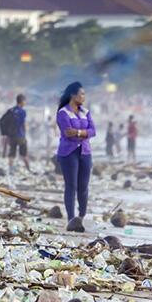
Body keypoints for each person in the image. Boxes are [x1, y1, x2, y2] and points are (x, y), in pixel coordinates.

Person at [56, 82, 95, 232]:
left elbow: (93, 131)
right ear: (73, 95)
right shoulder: (63, 113)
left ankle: (82, 216)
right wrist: (84, 132)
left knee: (83, 187)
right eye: (82, 94)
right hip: (68, 152)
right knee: (71, 186)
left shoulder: (85, 112)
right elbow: (67, 133)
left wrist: (78, 132)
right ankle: (71, 218)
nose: (84, 97)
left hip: (85, 152)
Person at [1, 93, 30, 172]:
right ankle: (28, 169)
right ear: (22, 101)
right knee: (24, 153)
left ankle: (10, 169)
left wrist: (5, 133)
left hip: (12, 136)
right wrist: (25, 133)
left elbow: (2, 121)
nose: (25, 103)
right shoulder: (22, 111)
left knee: (12, 153)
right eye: (25, 101)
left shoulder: (11, 110)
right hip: (20, 135)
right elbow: (23, 124)